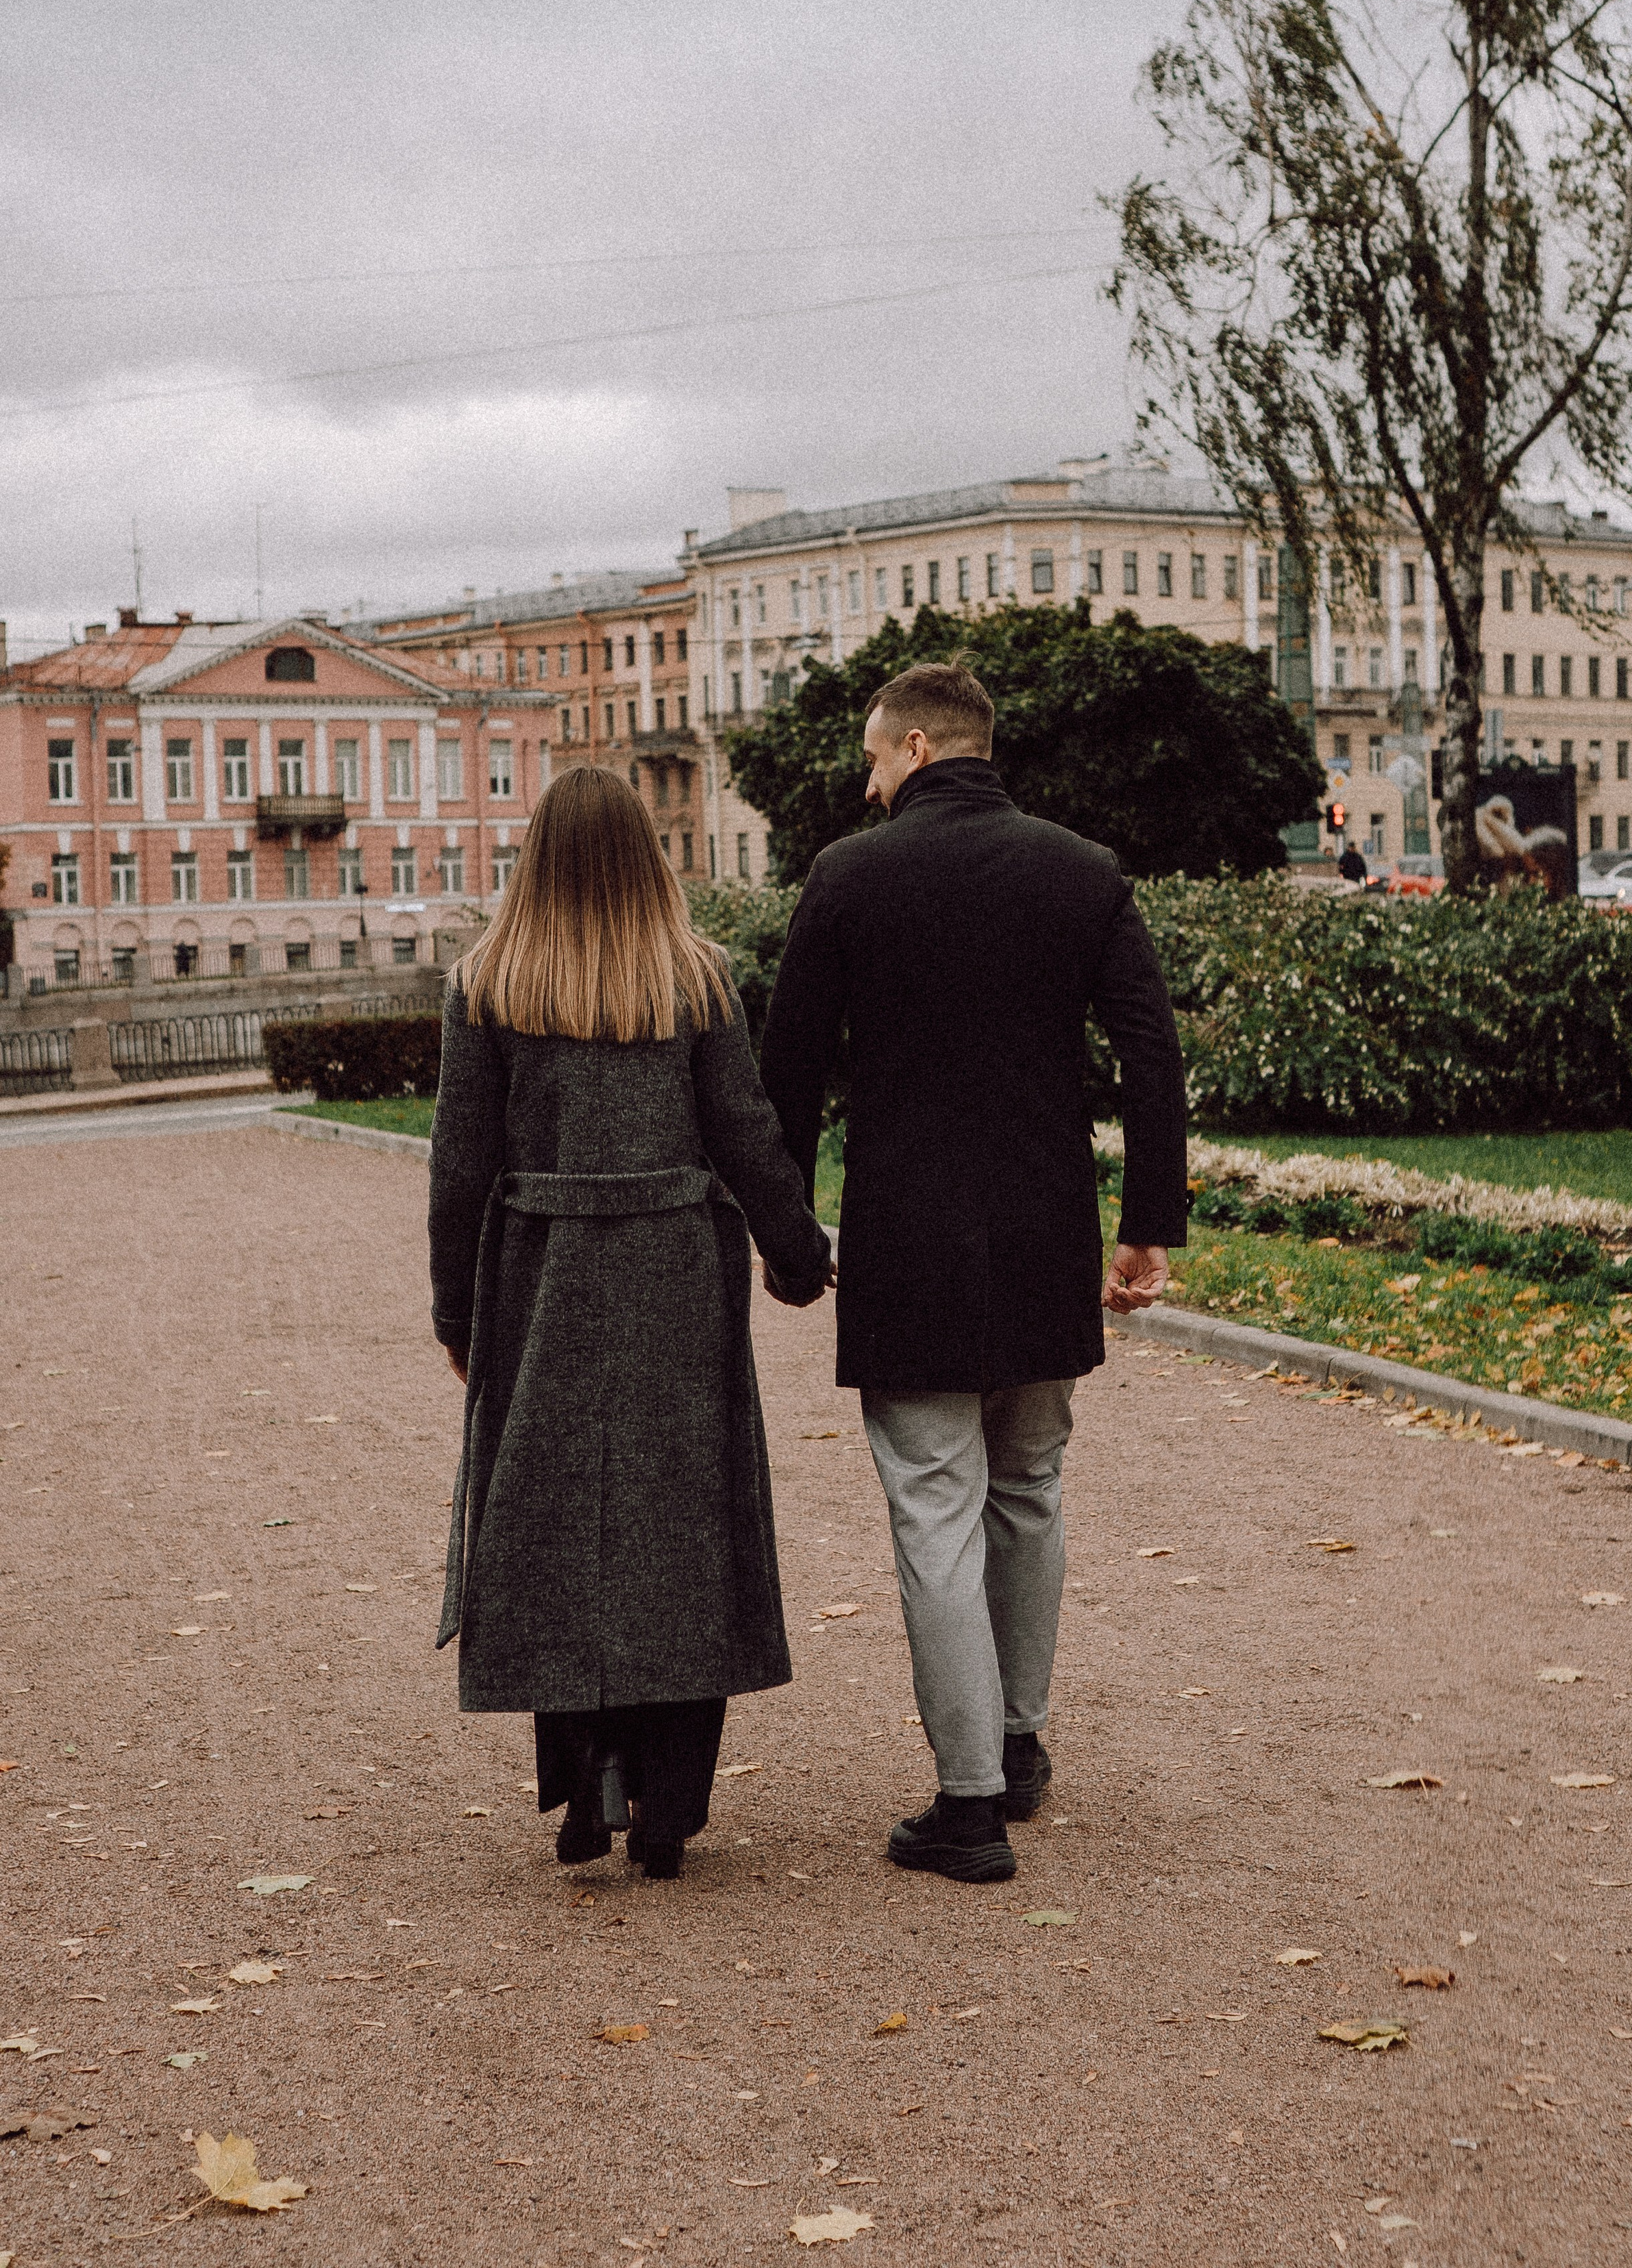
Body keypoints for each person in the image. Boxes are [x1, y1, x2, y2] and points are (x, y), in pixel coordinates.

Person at [758, 661, 1185, 1883]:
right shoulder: (1082, 871)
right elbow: (1152, 1055)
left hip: (908, 1239)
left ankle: (969, 1800)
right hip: (1048, 1232)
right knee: (1032, 1483)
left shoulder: (849, 877)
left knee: (933, 1504)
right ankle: (1019, 1736)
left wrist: (790, 1237)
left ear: (916, 748)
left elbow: (788, 1070)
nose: (867, 776)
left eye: (873, 756)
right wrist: (1150, 1216)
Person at [428, 763, 832, 1882]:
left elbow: (459, 1170)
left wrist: (456, 1310)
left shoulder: (488, 982)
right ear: (650, 855)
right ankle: (669, 1810)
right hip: (672, 1273)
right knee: (683, 1521)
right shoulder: (694, 978)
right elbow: (746, 1131)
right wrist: (797, 1256)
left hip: (542, 1272)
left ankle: (586, 1778)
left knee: (554, 1526)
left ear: (536, 855)